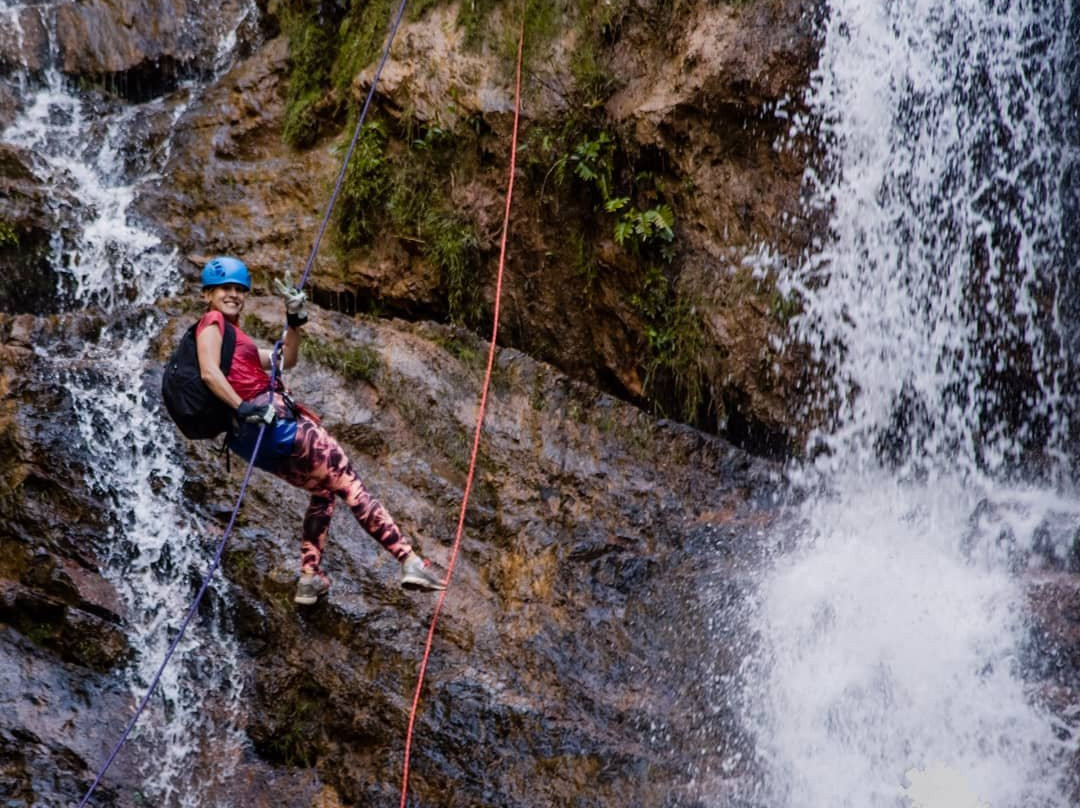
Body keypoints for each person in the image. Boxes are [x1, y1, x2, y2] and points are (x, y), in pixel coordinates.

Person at [193, 255, 446, 605]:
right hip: (274, 426)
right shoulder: (212, 323)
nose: (233, 294)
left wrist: (293, 322)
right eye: (224, 288)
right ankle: (409, 560)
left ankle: (310, 578)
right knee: (349, 483)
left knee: (324, 494)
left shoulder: (238, 340)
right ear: (207, 294)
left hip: (256, 442)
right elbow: (208, 372)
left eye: (239, 289)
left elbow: (286, 360)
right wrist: (242, 406)